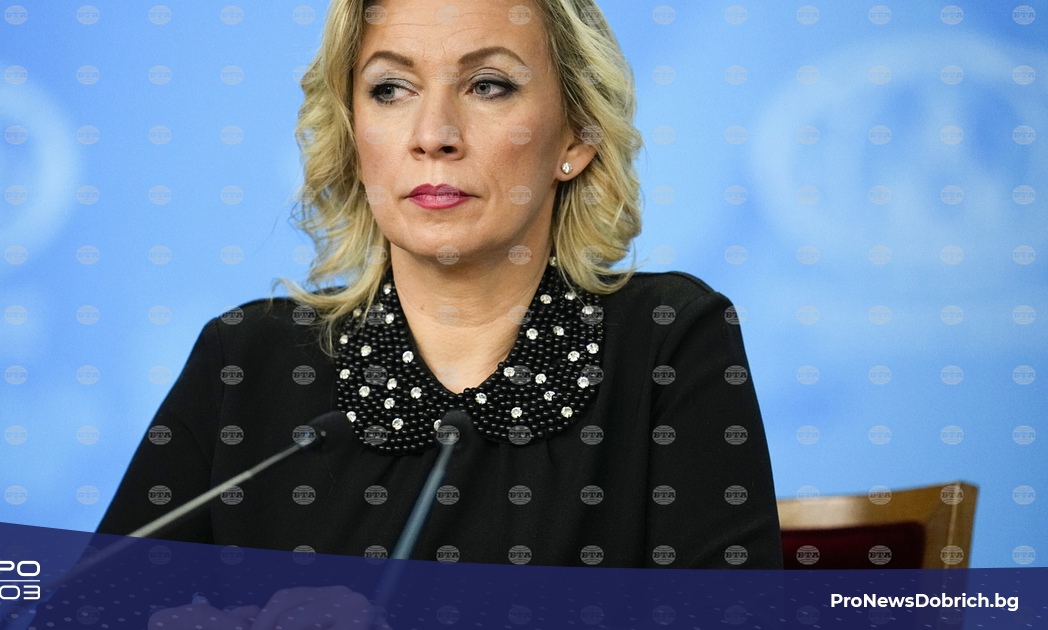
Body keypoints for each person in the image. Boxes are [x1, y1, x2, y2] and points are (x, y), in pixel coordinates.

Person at [97, 0, 781, 574]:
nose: (433, 135)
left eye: (488, 85)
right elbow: (98, 607)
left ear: (577, 136)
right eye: (390, 90)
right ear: (353, 133)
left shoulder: (667, 338)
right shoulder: (247, 359)